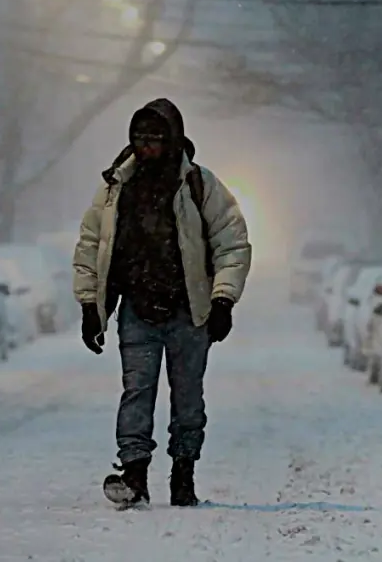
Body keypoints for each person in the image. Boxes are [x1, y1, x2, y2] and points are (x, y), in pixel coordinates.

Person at [72, 98, 251, 508]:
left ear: (172, 140)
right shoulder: (116, 189)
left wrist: (223, 300)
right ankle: (133, 474)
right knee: (137, 391)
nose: (145, 146)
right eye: (138, 138)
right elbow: (90, 245)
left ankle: (183, 472)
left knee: (187, 396)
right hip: (137, 309)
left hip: (189, 312)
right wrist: (89, 305)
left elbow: (232, 243)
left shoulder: (199, 186)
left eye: (154, 138)